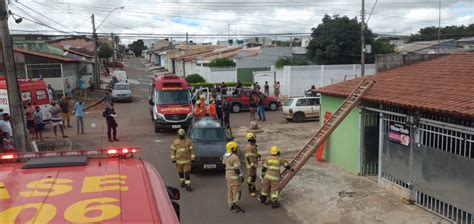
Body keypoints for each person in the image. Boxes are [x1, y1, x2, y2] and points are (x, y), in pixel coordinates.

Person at [223, 141, 245, 213]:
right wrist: (241, 176)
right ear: (232, 149)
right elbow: (236, 169)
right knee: (236, 190)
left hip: (228, 175)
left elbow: (224, 165)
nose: (236, 150)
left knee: (230, 190)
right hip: (234, 177)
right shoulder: (234, 157)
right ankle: (235, 204)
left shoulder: (225, 155)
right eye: (235, 148)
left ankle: (230, 205)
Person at [244, 132, 260, 197]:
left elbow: (252, 155)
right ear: (251, 138)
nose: (255, 138)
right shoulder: (249, 147)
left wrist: (257, 155)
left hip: (253, 165)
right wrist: (252, 165)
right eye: (254, 137)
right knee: (251, 178)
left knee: (253, 177)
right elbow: (248, 157)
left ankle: (253, 188)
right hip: (251, 166)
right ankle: (251, 190)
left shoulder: (252, 145)